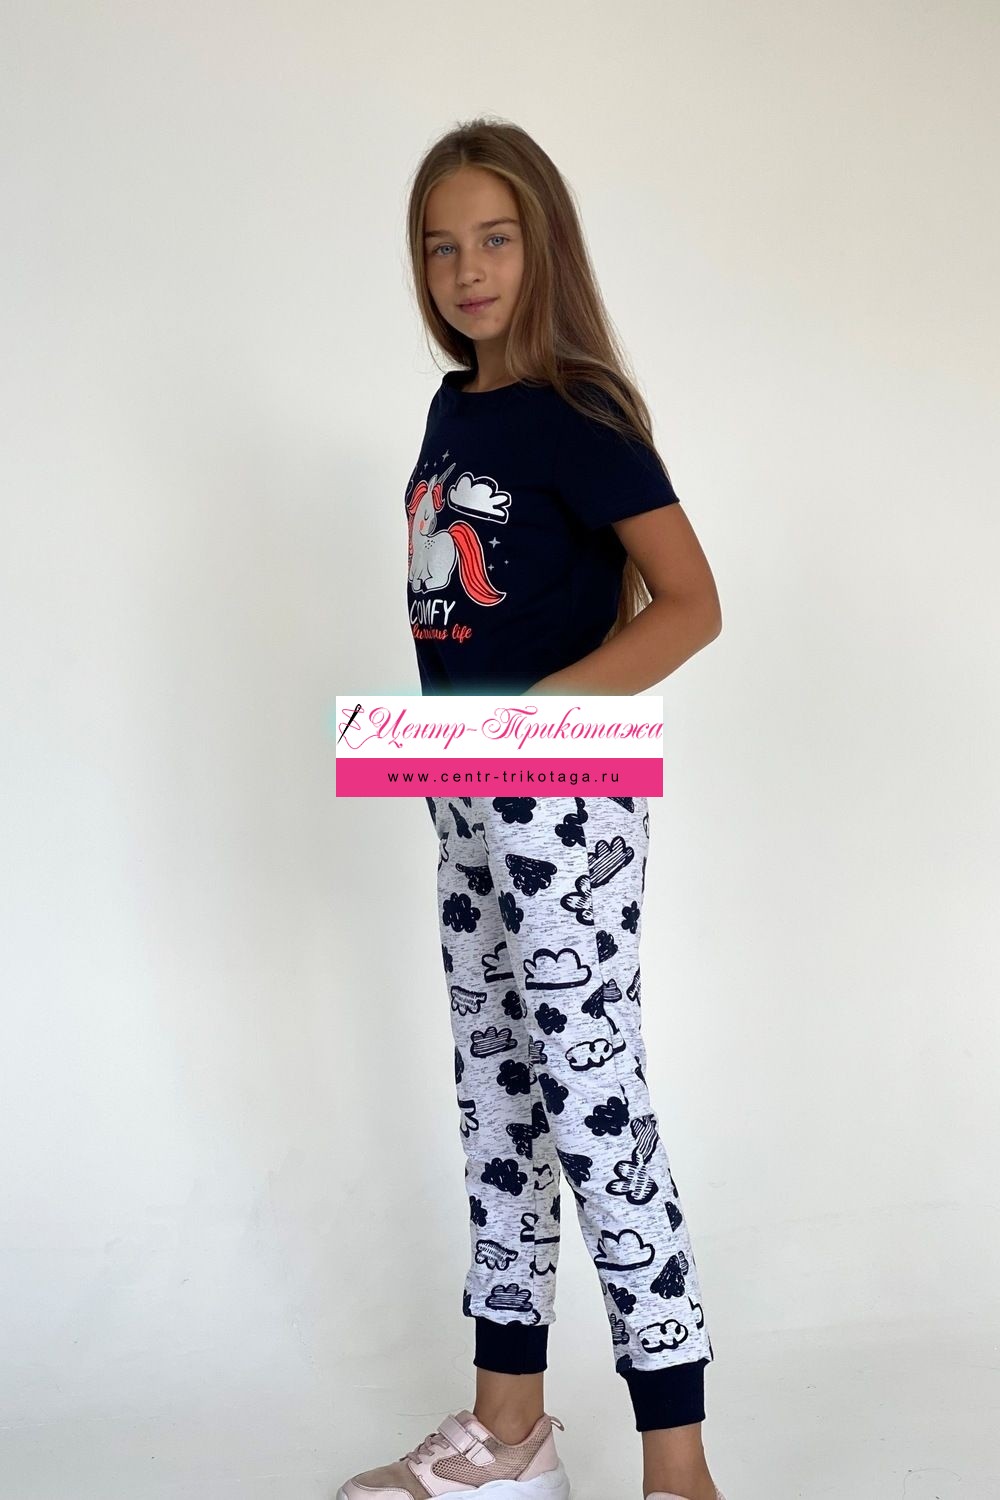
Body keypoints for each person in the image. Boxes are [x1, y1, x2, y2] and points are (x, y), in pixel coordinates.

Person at [337, 118, 726, 1500]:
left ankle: (678, 1464)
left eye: (494, 238)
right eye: (441, 246)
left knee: (592, 1101)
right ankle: (510, 1437)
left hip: (565, 795)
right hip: (461, 792)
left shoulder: (581, 412)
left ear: (543, 242)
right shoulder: (454, 409)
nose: (467, 269)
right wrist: (469, 746)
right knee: (497, 1098)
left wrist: (540, 717)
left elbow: (693, 604)